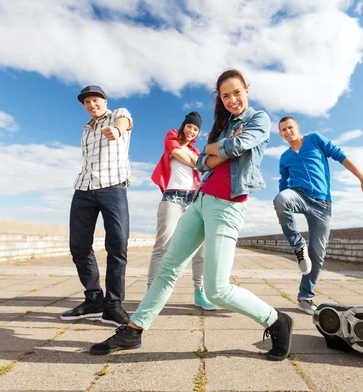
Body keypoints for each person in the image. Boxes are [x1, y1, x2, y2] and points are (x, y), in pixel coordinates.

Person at [90, 69, 294, 361]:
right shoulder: (224, 127)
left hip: (228, 204)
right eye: (226, 95)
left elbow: (236, 147)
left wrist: (214, 150)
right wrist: (216, 151)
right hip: (200, 201)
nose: (232, 99)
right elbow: (203, 163)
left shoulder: (258, 119)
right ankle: (134, 330)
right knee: (169, 267)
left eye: (237, 92)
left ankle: (275, 320)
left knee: (217, 289)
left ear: (247, 90)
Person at [274, 116, 363, 315]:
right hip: (299, 196)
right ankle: (297, 245)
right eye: (283, 130)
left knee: (317, 255)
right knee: (281, 199)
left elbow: (340, 156)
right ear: (280, 134)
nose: (288, 132)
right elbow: (283, 184)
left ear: (297, 128)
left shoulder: (314, 140)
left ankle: (305, 298)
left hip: (322, 205)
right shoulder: (285, 157)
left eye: (290, 128)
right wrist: (282, 199)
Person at [60, 85, 133, 327]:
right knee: (79, 246)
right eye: (87, 102)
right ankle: (93, 299)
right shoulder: (85, 130)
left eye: (96, 100)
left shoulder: (118, 115)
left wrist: (116, 130)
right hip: (83, 188)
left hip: (113, 187)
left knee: (117, 245)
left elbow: (124, 122)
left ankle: (113, 305)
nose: (92, 105)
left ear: (104, 100)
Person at [148, 111, 217, 311]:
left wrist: (197, 161)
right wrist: (196, 161)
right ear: (184, 126)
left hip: (194, 200)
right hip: (172, 197)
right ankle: (152, 292)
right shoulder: (171, 136)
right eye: (190, 127)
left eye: (196, 129)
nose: (192, 131)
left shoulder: (196, 150)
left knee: (201, 250)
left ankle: (200, 293)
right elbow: (183, 156)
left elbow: (202, 167)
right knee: (163, 245)